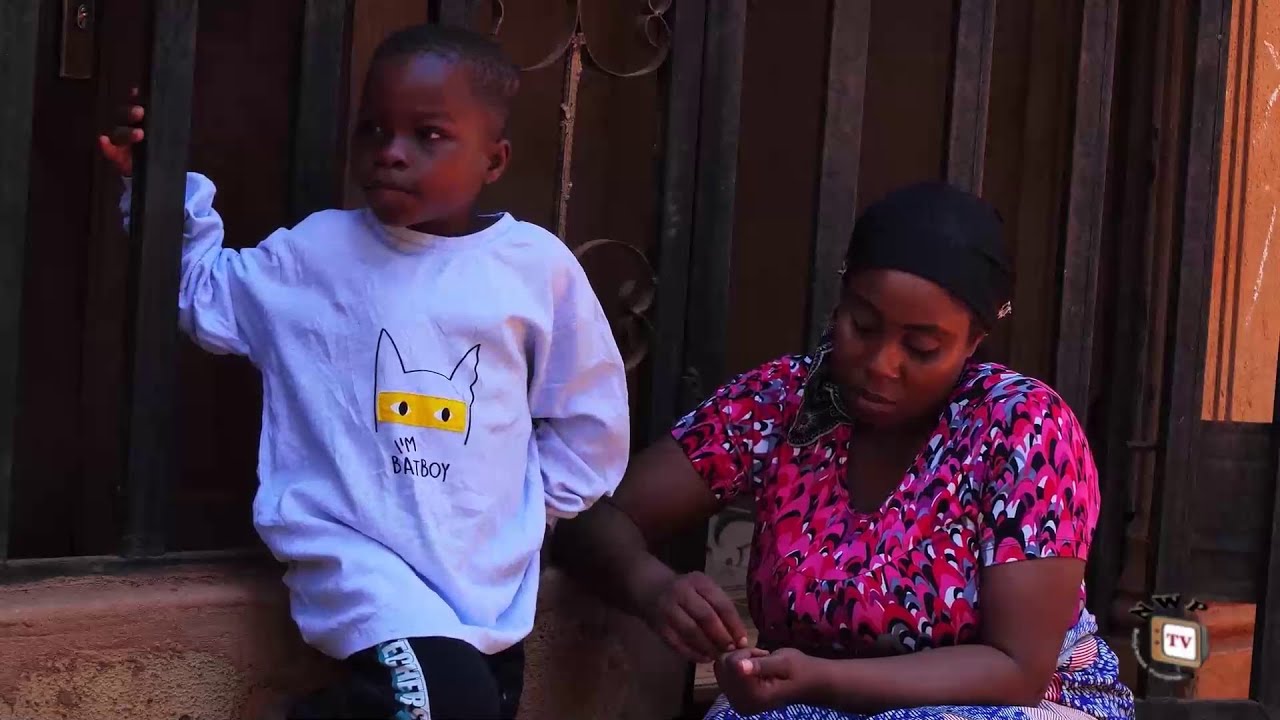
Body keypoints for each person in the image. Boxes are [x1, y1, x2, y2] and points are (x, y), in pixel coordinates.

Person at [99, 25, 630, 720]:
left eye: (428, 135)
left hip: (484, 573)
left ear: (494, 160)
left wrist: (525, 508)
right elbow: (202, 292)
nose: (391, 152)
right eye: (373, 130)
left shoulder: (535, 267)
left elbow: (589, 415)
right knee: (448, 702)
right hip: (360, 559)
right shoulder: (318, 254)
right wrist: (157, 181)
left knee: (469, 704)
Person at [553, 183, 1134, 720]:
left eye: (922, 347)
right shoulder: (782, 400)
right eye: (864, 324)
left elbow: (1016, 670)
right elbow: (592, 518)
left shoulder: (1023, 426)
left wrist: (823, 680)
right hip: (806, 699)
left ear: (973, 341)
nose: (882, 364)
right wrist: (652, 586)